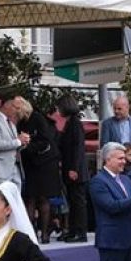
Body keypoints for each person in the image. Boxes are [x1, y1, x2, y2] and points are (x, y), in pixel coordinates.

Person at [18, 99, 63, 243]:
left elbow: (46, 140)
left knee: (43, 198)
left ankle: (44, 233)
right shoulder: (20, 122)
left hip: (45, 163)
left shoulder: (37, 118)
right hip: (31, 163)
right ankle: (32, 233)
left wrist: (26, 147)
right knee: (30, 197)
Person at [56, 94, 89, 242]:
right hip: (71, 168)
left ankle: (80, 232)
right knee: (73, 201)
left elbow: (77, 147)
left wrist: (74, 168)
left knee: (78, 202)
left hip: (75, 169)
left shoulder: (75, 123)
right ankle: (74, 229)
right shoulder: (71, 123)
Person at [0, 96, 27, 189]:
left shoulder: (11, 123)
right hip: (1, 170)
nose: (18, 111)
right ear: (7, 105)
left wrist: (23, 143)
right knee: (1, 198)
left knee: (15, 199)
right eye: (16, 108)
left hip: (14, 167)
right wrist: (18, 141)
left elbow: (14, 144)